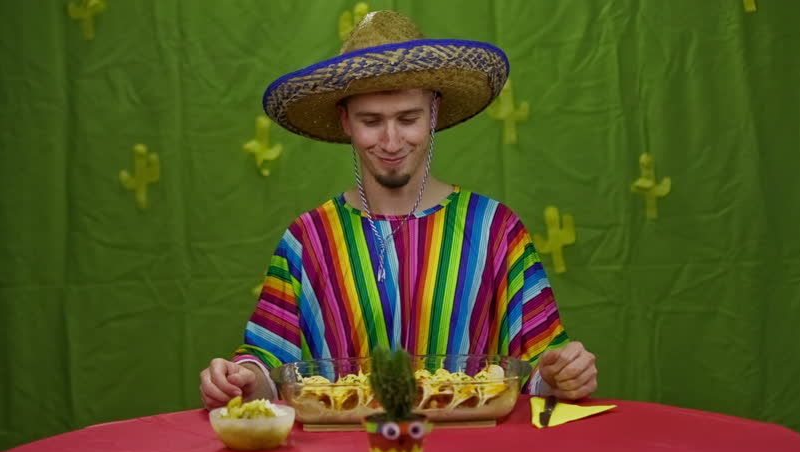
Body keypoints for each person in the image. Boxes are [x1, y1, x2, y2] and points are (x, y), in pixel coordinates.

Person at [200, 10, 597, 410]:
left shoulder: (496, 230)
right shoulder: (308, 238)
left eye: (408, 118)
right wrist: (241, 380)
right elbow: (268, 368)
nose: (391, 142)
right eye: (371, 121)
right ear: (345, 122)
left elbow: (540, 371)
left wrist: (563, 373)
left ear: (434, 114)